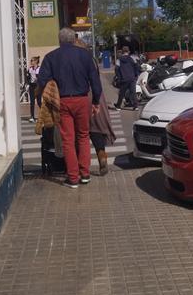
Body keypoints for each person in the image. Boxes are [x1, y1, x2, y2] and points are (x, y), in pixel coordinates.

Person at [37, 28, 102, 188]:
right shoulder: (85, 55)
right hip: (82, 100)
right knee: (83, 136)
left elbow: (42, 81)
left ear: (59, 40)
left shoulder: (51, 57)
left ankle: (72, 178)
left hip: (62, 102)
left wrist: (43, 101)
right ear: (74, 39)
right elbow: (95, 80)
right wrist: (96, 101)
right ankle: (85, 174)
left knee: (67, 140)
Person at [75, 40, 117, 175]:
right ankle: (102, 156)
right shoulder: (91, 60)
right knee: (96, 129)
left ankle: (81, 167)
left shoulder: (75, 61)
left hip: (80, 96)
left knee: (80, 133)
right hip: (96, 96)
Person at [113, 46, 139, 110]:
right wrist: (136, 75)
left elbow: (116, 69)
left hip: (124, 78)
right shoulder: (132, 58)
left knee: (121, 93)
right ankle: (135, 106)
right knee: (133, 92)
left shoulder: (119, 60)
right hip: (132, 78)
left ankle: (118, 106)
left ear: (122, 52)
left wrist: (119, 77)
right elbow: (136, 67)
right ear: (128, 51)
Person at [26, 56, 40, 122]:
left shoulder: (39, 69)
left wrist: (38, 80)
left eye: (32, 60)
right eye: (31, 61)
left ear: (36, 61)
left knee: (39, 102)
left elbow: (40, 77)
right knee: (32, 102)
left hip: (37, 86)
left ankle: (44, 116)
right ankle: (32, 117)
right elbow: (27, 77)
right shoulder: (30, 69)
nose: (31, 62)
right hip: (32, 86)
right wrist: (27, 84)